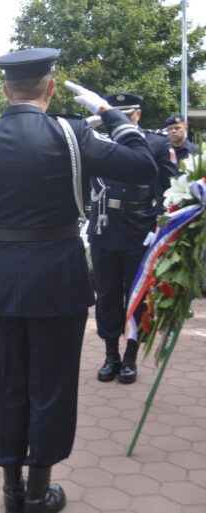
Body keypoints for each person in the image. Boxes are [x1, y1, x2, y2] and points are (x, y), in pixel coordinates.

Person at [0, 48, 157, 512]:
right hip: (59, 280)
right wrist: (111, 113)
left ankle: (11, 489)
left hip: (1, 282)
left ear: (5, 90)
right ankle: (39, 492)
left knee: (6, 384)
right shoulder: (73, 135)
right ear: (50, 87)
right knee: (51, 386)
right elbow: (143, 166)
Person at [90, 93, 179, 385]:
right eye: (116, 114)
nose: (121, 121)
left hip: (140, 229)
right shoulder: (99, 140)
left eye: (127, 115)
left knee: (137, 295)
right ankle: (110, 355)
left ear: (137, 115)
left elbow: (172, 187)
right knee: (106, 295)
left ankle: (130, 356)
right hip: (104, 226)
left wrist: (163, 224)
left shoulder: (155, 142)